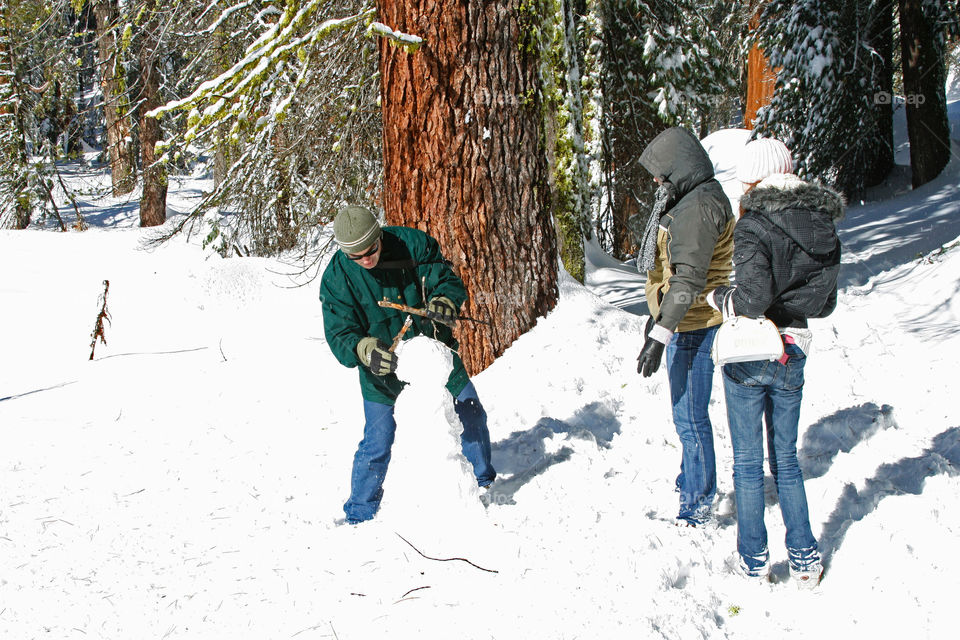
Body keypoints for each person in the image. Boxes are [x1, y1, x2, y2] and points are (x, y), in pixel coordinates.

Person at [708, 138, 843, 587]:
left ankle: (754, 559)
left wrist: (720, 298)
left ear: (754, 178)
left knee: (748, 462)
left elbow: (752, 299)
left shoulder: (754, 222)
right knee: (786, 458)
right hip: (794, 346)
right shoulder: (821, 221)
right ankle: (804, 558)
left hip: (752, 348)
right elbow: (825, 303)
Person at [320, 205, 496, 524]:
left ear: (379, 236)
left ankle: (484, 485)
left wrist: (444, 300)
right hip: (382, 371)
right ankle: (359, 513)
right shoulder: (337, 279)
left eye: (370, 250)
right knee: (378, 440)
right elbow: (339, 333)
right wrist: (364, 349)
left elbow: (445, 279)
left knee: (470, 413)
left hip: (432, 355)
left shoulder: (411, 245)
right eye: (356, 256)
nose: (366, 260)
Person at [635, 127, 735, 527]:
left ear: (679, 167)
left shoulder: (697, 208)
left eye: (661, 174)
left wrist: (661, 334)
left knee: (690, 419)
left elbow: (688, 280)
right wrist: (658, 315)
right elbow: (673, 273)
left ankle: (698, 503)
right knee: (687, 416)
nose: (656, 182)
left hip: (694, 325)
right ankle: (690, 482)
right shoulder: (693, 198)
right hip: (685, 320)